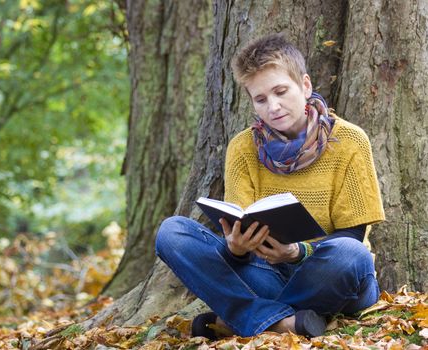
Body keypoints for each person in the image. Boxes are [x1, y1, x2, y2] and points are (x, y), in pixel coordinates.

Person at [155, 33, 385, 339]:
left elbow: (353, 234)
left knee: (349, 253)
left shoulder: (350, 141)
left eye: (280, 91)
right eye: (260, 99)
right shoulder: (242, 148)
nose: (273, 106)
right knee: (172, 233)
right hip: (266, 274)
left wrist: (295, 251)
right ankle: (281, 323)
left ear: (304, 85)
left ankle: (238, 320)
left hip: (330, 275)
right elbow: (241, 224)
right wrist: (236, 250)